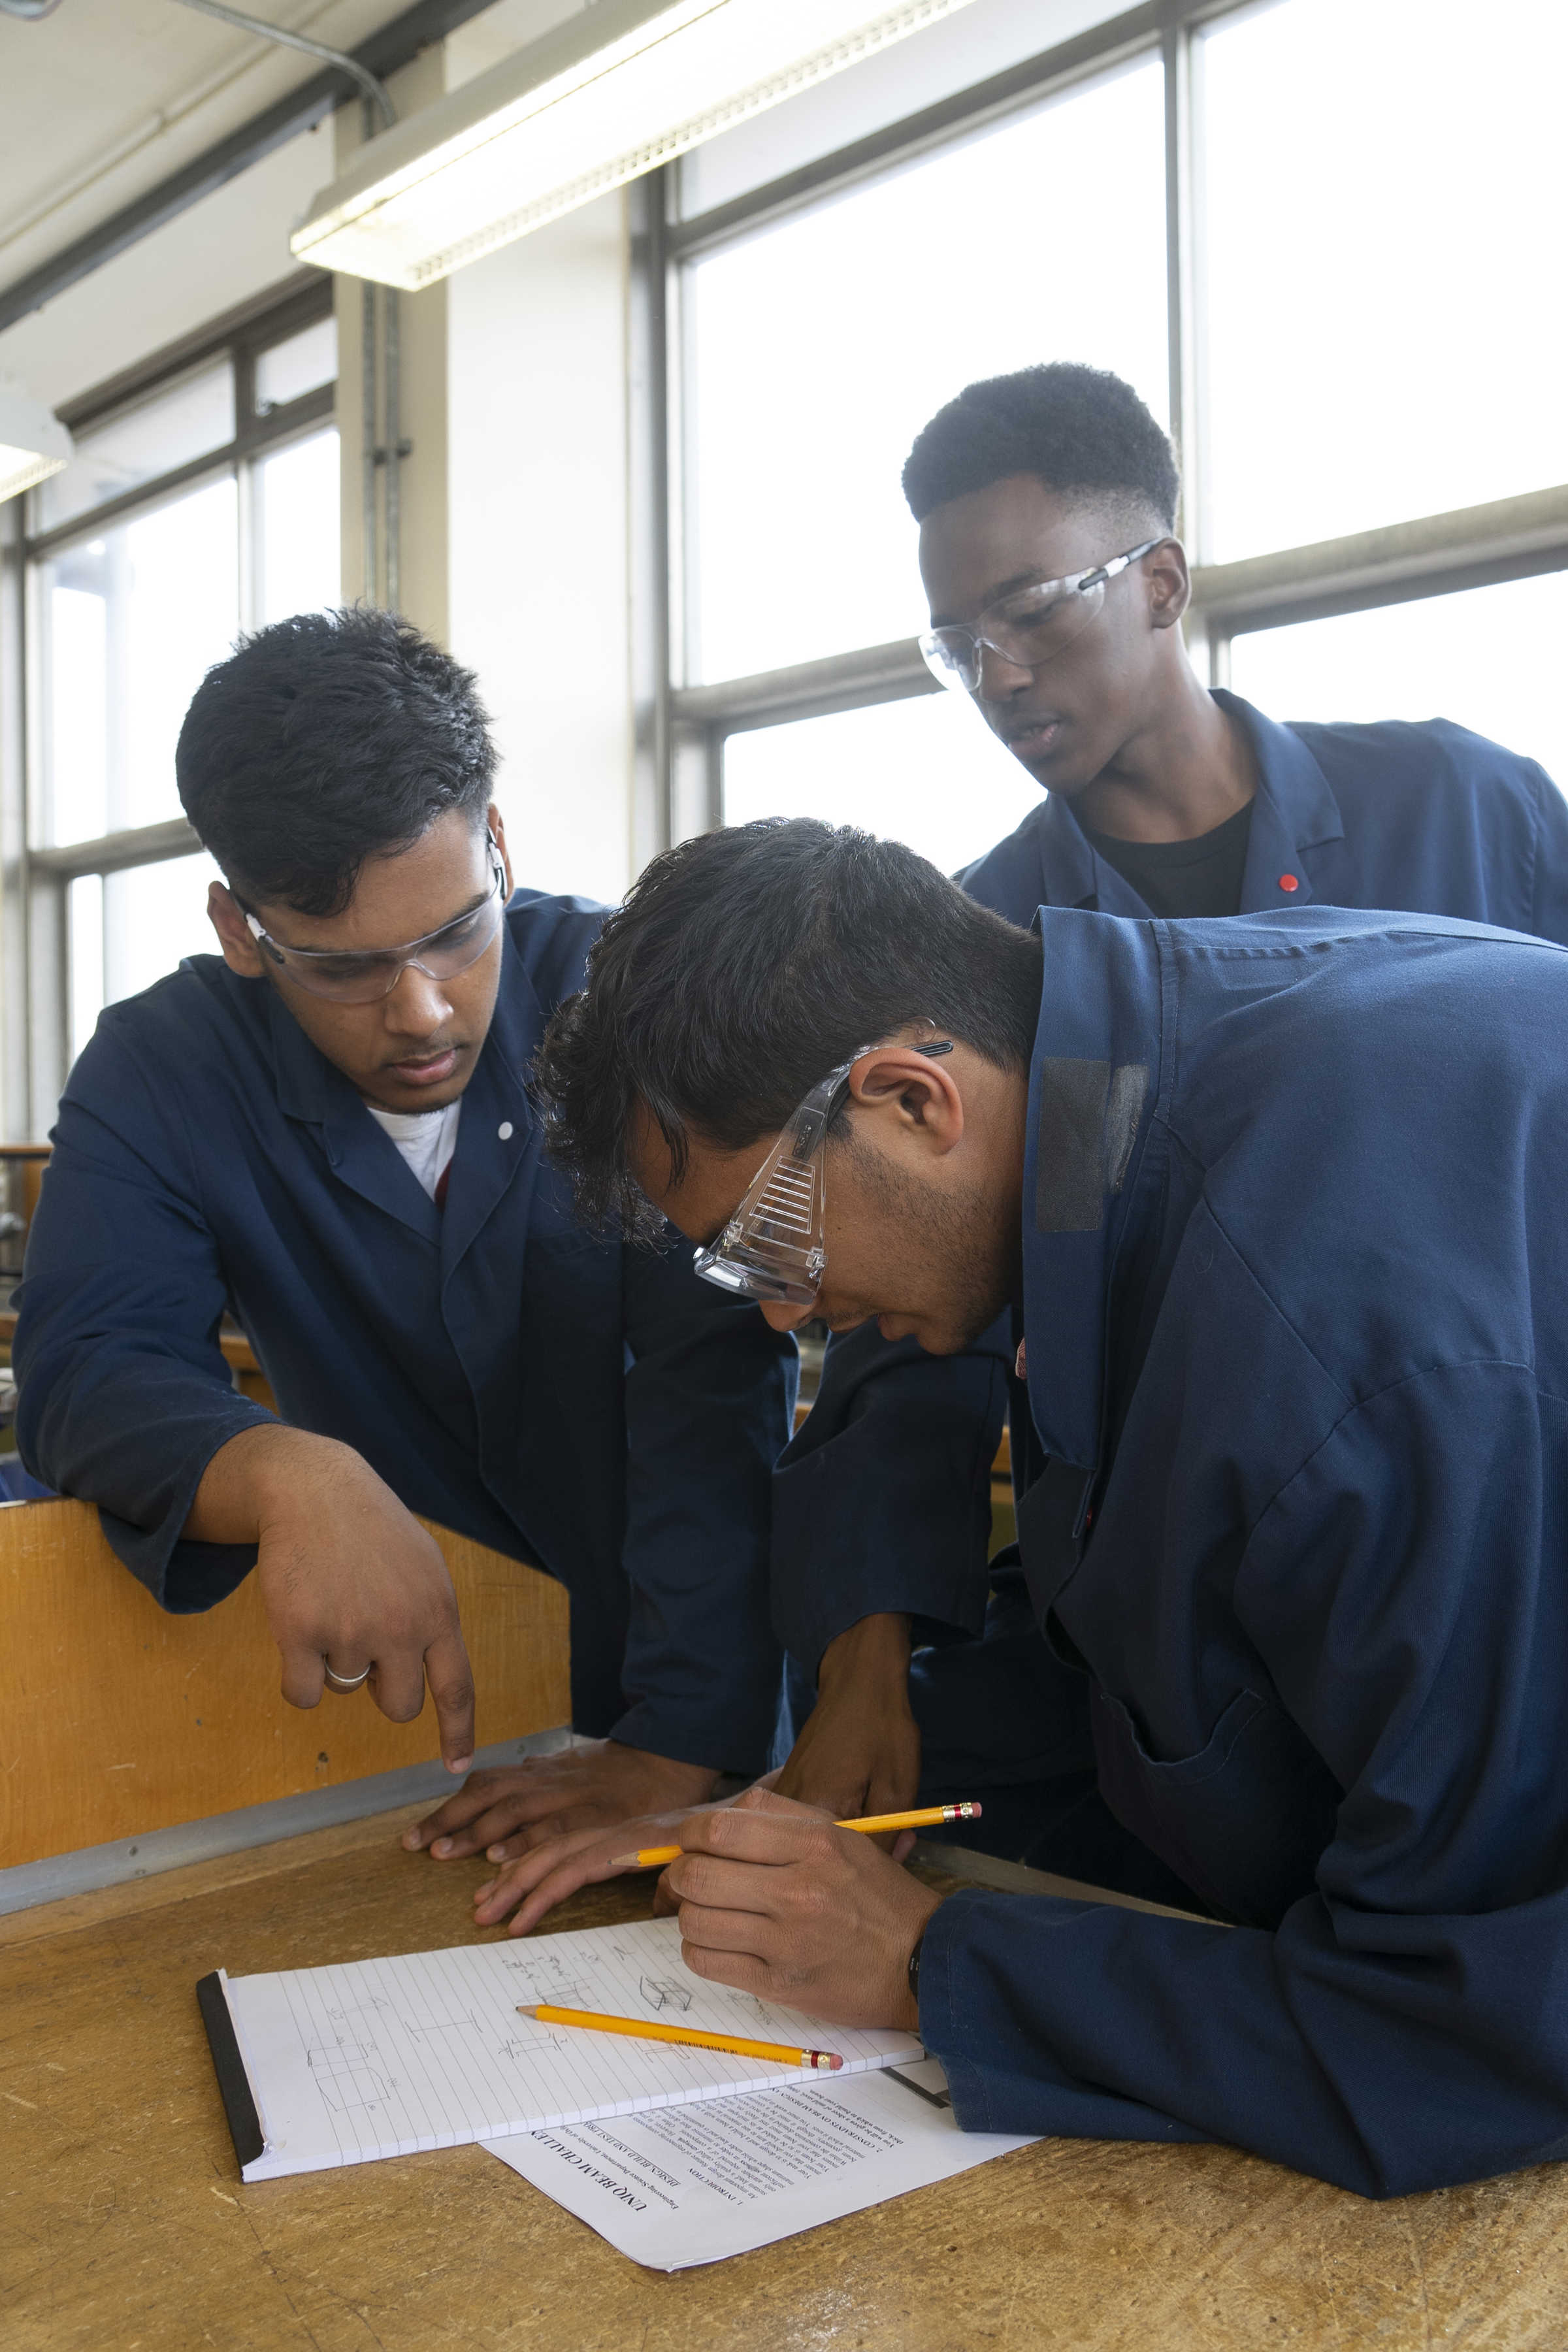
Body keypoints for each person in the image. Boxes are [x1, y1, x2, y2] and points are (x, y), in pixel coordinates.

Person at [520, 815, 1568, 2198]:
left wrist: (920, 1963)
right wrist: (879, 1755)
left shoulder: (1335, 1351)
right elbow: (1169, 1629)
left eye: (771, 1240)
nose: (786, 1307)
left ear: (911, 1099)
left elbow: (1472, 2032)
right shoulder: (1128, 1079)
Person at [766, 361, 1568, 1869]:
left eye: (1031, 612)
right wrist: (865, 1675)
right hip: (1185, 1593)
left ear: (1161, 582)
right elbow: (901, 1341)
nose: (998, 674)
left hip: (1497, 1510)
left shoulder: (1467, 811)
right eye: (958, 643)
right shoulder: (989, 945)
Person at [12, 610, 796, 1855]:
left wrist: (681, 1746)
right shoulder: (165, 1065)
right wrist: (284, 1472)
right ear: (240, 933)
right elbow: (83, 1372)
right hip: (419, 1735)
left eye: (454, 932)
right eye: (347, 969)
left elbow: (712, 1391)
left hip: (693, 1699)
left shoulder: (632, 997)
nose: (423, 1010)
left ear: (496, 843)